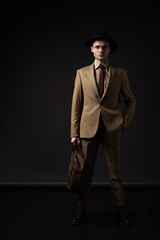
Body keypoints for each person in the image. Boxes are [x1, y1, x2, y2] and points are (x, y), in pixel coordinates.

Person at [70, 31, 136, 226]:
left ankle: (121, 209)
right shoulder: (81, 73)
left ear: (110, 50)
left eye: (104, 47)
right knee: (85, 173)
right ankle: (81, 209)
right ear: (92, 49)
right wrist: (74, 132)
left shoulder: (120, 73)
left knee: (115, 171)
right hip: (87, 130)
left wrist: (123, 122)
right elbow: (76, 105)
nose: (101, 50)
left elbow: (130, 101)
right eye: (97, 47)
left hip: (112, 129)